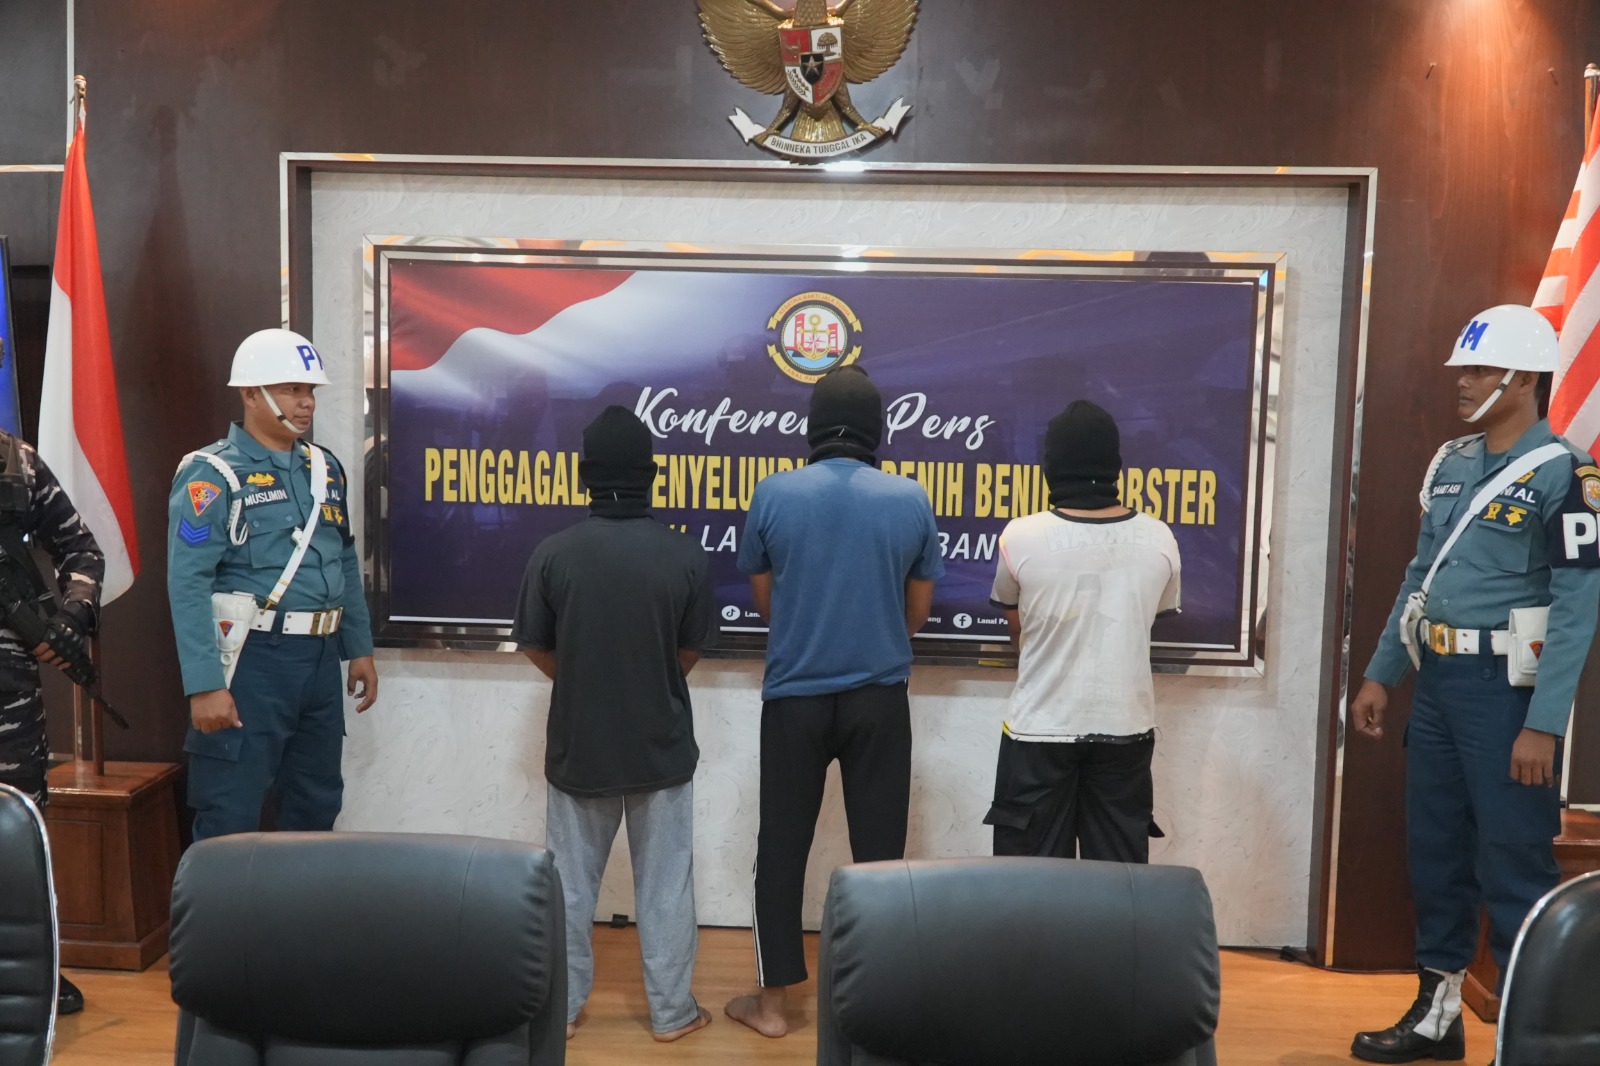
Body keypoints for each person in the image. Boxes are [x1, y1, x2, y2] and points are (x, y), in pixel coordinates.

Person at [1350, 304, 1600, 1063]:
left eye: (1481, 370)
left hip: (1507, 697)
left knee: (1515, 864)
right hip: (1438, 685)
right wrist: (1382, 674)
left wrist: (1544, 724)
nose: (1462, 382)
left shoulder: (1566, 475)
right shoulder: (1451, 463)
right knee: (1436, 854)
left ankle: (1529, 1038)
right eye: (1464, 368)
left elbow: (1577, 608)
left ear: (1522, 380)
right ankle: (1438, 1016)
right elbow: (1419, 576)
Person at [725, 364, 945, 1038]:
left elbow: (768, 604)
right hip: (880, 697)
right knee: (881, 855)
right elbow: (916, 612)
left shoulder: (773, 493)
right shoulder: (910, 498)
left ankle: (772, 1008)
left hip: (795, 696)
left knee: (781, 846)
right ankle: (875, 1002)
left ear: (812, 428)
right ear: (878, 431)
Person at [512, 405, 715, 1043]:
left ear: (584, 476)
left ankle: (564, 1013)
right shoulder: (684, 554)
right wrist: (648, 682)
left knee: (569, 891)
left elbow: (534, 645)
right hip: (661, 748)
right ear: (651, 475)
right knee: (665, 889)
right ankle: (673, 1014)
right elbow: (689, 651)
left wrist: (582, 682)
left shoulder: (553, 554)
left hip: (580, 748)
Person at [166, 328, 378, 843]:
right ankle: (219, 903)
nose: (306, 403)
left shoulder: (324, 468)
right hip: (253, 660)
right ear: (250, 393)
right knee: (230, 811)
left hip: (320, 658)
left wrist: (359, 648)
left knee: (316, 804)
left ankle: (302, 902)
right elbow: (188, 581)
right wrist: (205, 684)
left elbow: (343, 557)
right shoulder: (212, 473)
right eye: (291, 389)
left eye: (310, 391)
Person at [985, 399, 1180, 862]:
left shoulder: (1019, 536)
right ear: (1115, 465)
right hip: (1126, 729)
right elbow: (1147, 619)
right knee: (1119, 882)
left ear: (1050, 465)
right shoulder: (1160, 537)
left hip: (1038, 731)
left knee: (1028, 882)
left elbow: (1019, 629)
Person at [0, 428, 104, 1016]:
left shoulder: (16, 462)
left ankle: (34, 967)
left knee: (22, 826)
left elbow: (82, 550)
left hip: (8, 691)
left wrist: (72, 616)